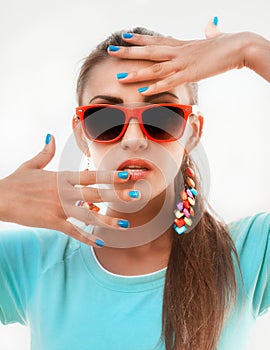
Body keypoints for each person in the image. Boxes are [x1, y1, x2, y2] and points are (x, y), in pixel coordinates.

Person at [0, 18, 269, 350]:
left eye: (162, 116)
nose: (134, 140)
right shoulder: (30, 263)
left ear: (193, 130)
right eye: (105, 119)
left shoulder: (247, 256)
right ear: (82, 134)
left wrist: (251, 50)